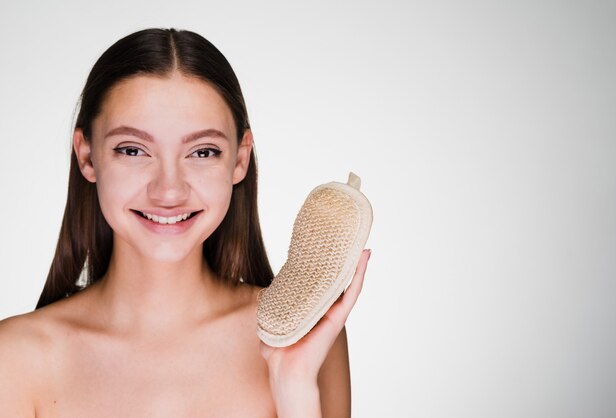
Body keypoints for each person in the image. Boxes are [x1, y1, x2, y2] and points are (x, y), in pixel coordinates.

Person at [0, 28, 370, 417]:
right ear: (88, 157)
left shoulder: (305, 338)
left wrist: (294, 388)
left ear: (240, 159)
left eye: (203, 151)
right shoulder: (16, 359)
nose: (169, 191)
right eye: (133, 149)